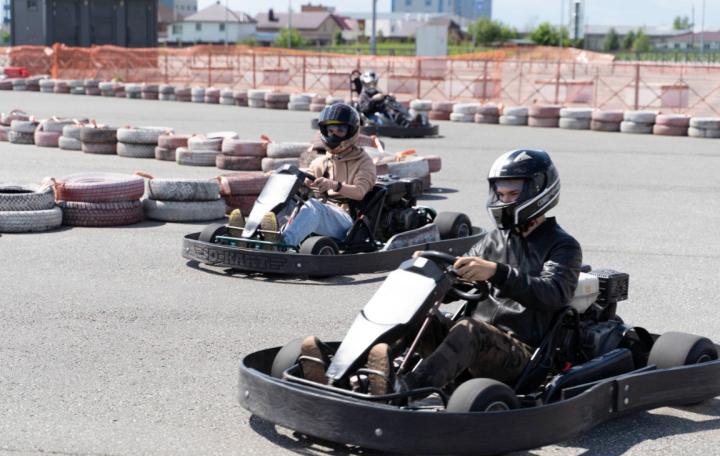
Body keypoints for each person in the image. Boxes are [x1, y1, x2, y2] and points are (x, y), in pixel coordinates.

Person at [300, 149, 583, 396]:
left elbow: (554, 294)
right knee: (415, 313)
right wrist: (430, 272)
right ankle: (342, 372)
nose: (505, 200)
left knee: (470, 329)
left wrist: (497, 272)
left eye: (513, 194)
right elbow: (457, 275)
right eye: (501, 194)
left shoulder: (562, 246)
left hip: (520, 354)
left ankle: (405, 389)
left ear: (537, 193)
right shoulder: (495, 239)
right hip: (474, 341)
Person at [228, 103, 376, 248]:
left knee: (313, 206)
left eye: (340, 130)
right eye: (330, 130)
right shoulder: (322, 161)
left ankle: (283, 243)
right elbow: (306, 177)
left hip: (346, 221)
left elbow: (359, 192)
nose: (334, 135)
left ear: (351, 131)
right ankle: (249, 235)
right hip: (322, 211)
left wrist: (334, 185)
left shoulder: (363, 162)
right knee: (285, 199)